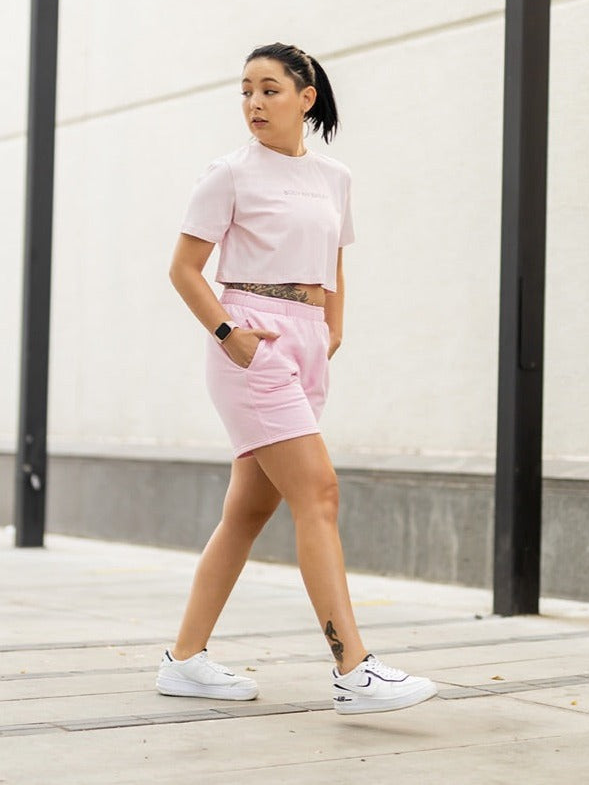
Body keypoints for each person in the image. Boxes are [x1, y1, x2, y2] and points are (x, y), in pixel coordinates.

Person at [155, 42, 436, 715]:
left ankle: (184, 659)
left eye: (269, 89)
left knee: (247, 512)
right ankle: (351, 666)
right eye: (245, 90)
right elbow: (184, 270)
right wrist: (231, 335)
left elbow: (334, 261)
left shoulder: (334, 176)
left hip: (305, 343)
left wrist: (331, 327)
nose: (254, 102)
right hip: (251, 339)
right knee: (320, 493)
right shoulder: (227, 174)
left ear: (305, 98)